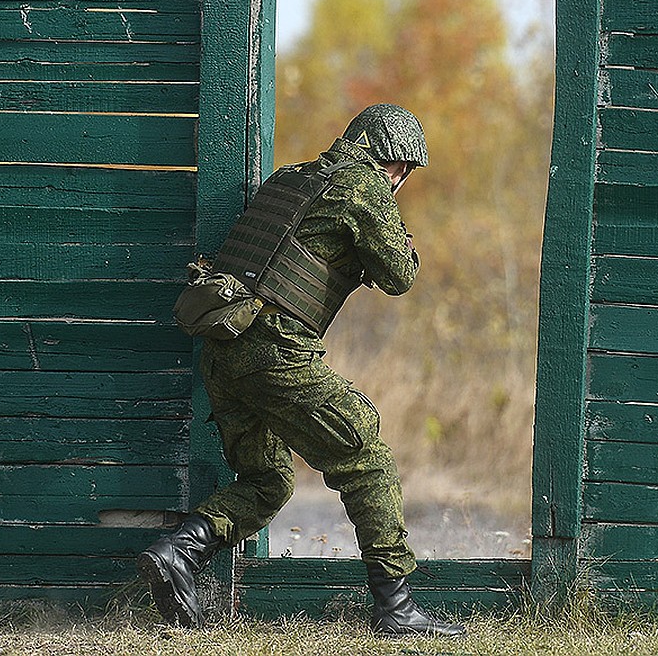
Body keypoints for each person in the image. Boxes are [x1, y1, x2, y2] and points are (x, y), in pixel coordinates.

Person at [138, 104, 464, 637]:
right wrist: (394, 222)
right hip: (275, 351)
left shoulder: (293, 178)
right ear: (394, 160)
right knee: (366, 456)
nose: (403, 180)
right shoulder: (363, 186)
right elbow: (401, 275)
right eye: (405, 171)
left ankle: (179, 551)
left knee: (268, 480)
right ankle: (397, 607)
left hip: (224, 349)